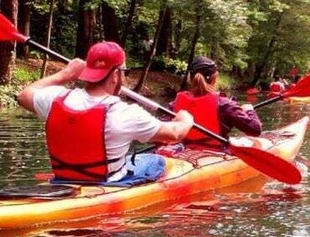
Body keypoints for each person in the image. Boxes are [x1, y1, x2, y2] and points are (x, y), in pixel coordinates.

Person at [17, 41, 194, 184]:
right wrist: (185, 119)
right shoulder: (126, 113)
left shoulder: (55, 99)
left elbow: (24, 95)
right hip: (107, 182)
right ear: (116, 75)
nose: (124, 77)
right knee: (156, 161)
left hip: (63, 179)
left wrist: (65, 74)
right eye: (124, 71)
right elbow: (174, 134)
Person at [170, 56, 262, 150]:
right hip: (213, 153)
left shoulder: (175, 103)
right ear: (214, 79)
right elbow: (255, 130)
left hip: (181, 152)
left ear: (190, 78)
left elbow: (160, 137)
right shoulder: (224, 104)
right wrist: (249, 110)